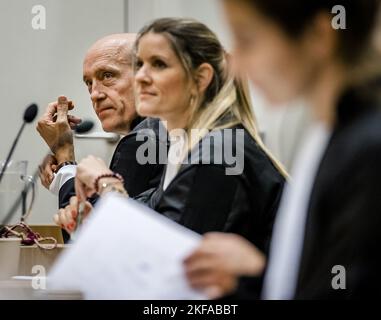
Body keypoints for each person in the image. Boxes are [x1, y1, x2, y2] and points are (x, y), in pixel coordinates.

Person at [184, 0, 381, 299]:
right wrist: (255, 277)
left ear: (319, 35)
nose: (235, 65)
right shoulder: (325, 132)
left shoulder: (367, 152)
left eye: (247, 40)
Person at [58, 18, 286, 259]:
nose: (141, 77)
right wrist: (92, 221)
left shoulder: (219, 153)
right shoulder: (186, 148)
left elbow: (173, 262)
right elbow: (152, 223)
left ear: (200, 79)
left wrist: (106, 183)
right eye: (140, 65)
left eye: (158, 65)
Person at [36, 34, 166, 236]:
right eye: (89, 83)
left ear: (145, 77)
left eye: (107, 75)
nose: (95, 94)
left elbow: (97, 244)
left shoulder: (144, 139)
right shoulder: (164, 131)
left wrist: (65, 162)